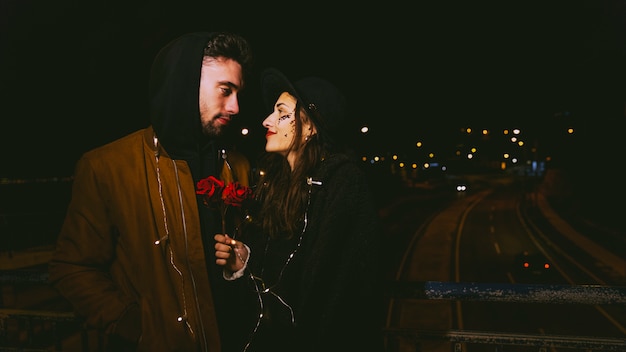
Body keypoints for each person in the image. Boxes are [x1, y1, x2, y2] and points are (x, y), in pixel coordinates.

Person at [48, 31, 253, 351]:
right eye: (225, 90)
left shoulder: (236, 166)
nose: (236, 106)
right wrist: (134, 325)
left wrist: (241, 264)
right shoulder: (107, 167)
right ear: (185, 85)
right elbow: (72, 268)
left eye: (238, 92)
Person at [214, 68, 385, 351]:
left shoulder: (342, 184)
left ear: (310, 127)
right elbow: (273, 278)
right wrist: (243, 263)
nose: (267, 120)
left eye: (281, 112)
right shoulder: (275, 187)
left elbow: (341, 295)